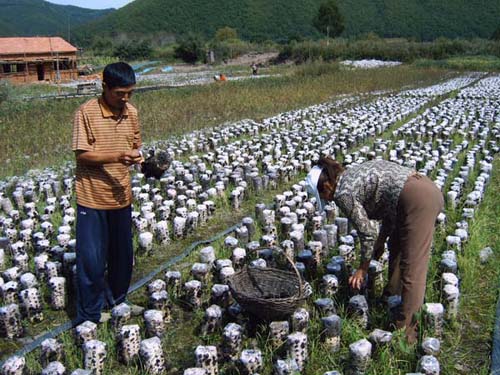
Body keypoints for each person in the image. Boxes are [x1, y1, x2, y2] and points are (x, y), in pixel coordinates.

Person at [306, 156, 444, 342]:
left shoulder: (342, 194)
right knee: (396, 245)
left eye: (323, 196)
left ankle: (406, 336)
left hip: (417, 200)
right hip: (418, 189)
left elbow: (367, 231)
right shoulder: (349, 176)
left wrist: (362, 268)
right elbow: (388, 206)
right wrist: (380, 242)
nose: (328, 201)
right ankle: (391, 298)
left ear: (327, 187)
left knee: (413, 268)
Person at [72, 62, 143, 324]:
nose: (125, 99)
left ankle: (118, 300)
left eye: (129, 93)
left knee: (122, 255)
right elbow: (82, 155)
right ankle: (90, 314)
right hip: (93, 197)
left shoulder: (131, 113)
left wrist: (142, 161)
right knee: (91, 259)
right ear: (105, 88)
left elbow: (136, 146)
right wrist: (117, 156)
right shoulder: (86, 113)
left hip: (121, 195)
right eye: (119, 94)